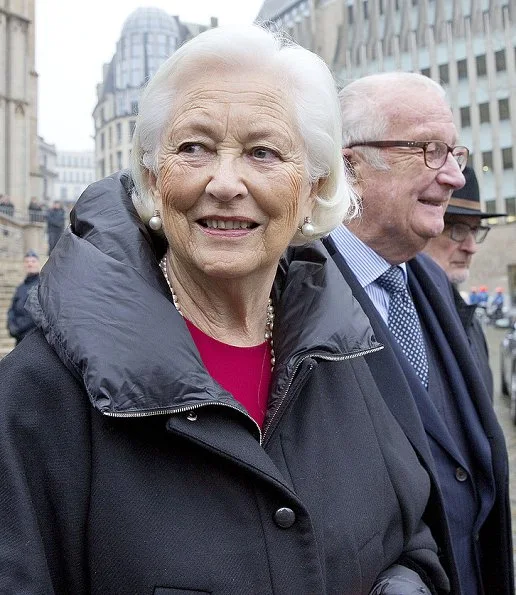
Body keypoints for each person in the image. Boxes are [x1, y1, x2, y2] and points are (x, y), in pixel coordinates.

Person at [0, 27, 448, 594]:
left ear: (313, 188)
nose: (226, 183)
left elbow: (414, 541)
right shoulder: (41, 392)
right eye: (194, 148)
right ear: (152, 178)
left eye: (262, 152)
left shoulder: (345, 350)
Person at [323, 72, 513, 594]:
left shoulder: (428, 279)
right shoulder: (297, 293)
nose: (453, 176)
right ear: (350, 164)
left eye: (456, 153)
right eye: (430, 150)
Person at [423, 165, 506, 398]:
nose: (471, 247)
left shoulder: (470, 320)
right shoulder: (402, 319)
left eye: (475, 230)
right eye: (457, 229)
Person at [6, 250, 40, 345]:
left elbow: (36, 312)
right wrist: (11, 326)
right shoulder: (20, 287)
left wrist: (19, 328)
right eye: (27, 262)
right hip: (19, 338)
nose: (30, 264)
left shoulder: (42, 285)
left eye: (33, 261)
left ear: (38, 263)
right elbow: (12, 310)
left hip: (33, 337)